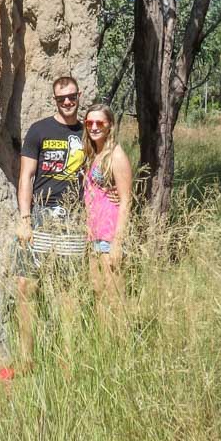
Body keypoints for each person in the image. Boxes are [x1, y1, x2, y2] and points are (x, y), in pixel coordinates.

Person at [13, 74, 87, 368]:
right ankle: (26, 358)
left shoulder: (88, 132)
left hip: (73, 219)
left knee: (68, 292)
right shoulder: (39, 131)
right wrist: (24, 218)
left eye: (71, 97)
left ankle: (67, 360)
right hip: (41, 215)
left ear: (78, 96)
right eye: (61, 98)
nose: (67, 102)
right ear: (54, 100)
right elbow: (26, 177)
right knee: (26, 285)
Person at [82, 103, 132, 315]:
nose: (94, 127)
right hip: (94, 234)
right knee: (99, 293)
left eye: (99, 122)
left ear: (109, 125)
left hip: (109, 237)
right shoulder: (95, 153)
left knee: (115, 298)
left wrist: (117, 243)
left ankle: (121, 345)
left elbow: (126, 200)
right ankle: (105, 343)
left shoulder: (116, 155)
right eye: (89, 122)